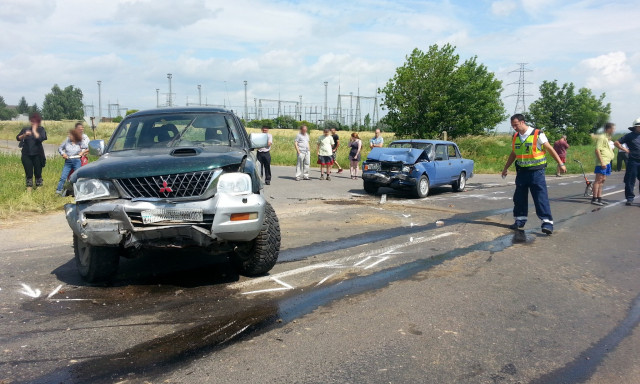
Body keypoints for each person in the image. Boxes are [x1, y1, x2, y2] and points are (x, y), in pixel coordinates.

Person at [501, 114, 566, 235]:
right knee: (519, 198)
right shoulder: (515, 136)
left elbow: (550, 149)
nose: (514, 128)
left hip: (537, 172)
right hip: (521, 172)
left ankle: (547, 223)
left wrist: (560, 163)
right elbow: (513, 153)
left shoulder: (537, 134)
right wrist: (505, 168)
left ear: (522, 122)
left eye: (516, 125)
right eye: (512, 126)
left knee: (540, 197)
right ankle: (520, 220)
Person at [16, 112, 47, 192]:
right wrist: (24, 135)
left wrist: (34, 130)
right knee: (28, 172)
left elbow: (41, 138)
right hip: (26, 154)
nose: (33, 123)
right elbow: (18, 138)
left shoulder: (41, 129)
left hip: (38, 154)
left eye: (35, 121)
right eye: (32, 121)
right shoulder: (25, 129)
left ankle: (39, 187)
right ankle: (29, 188)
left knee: (38, 172)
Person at [614, 118, 640, 206]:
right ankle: (630, 198)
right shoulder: (629, 136)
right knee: (630, 180)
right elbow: (616, 142)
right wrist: (624, 149)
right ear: (635, 127)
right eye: (639, 126)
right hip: (633, 161)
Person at [56, 129, 87, 195]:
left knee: (78, 177)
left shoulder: (80, 142)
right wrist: (63, 154)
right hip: (68, 161)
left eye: (70, 135)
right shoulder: (67, 141)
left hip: (77, 161)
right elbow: (60, 148)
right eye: (69, 135)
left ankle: (80, 192)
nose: (69, 136)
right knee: (63, 177)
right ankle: (58, 191)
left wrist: (82, 152)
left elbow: (87, 148)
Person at [592, 123, 616, 206]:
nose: (614, 130)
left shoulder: (606, 137)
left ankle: (599, 198)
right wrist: (602, 162)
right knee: (598, 180)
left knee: (603, 180)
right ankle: (594, 198)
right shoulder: (602, 137)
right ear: (608, 129)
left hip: (607, 161)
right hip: (602, 162)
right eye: (613, 128)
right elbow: (597, 150)